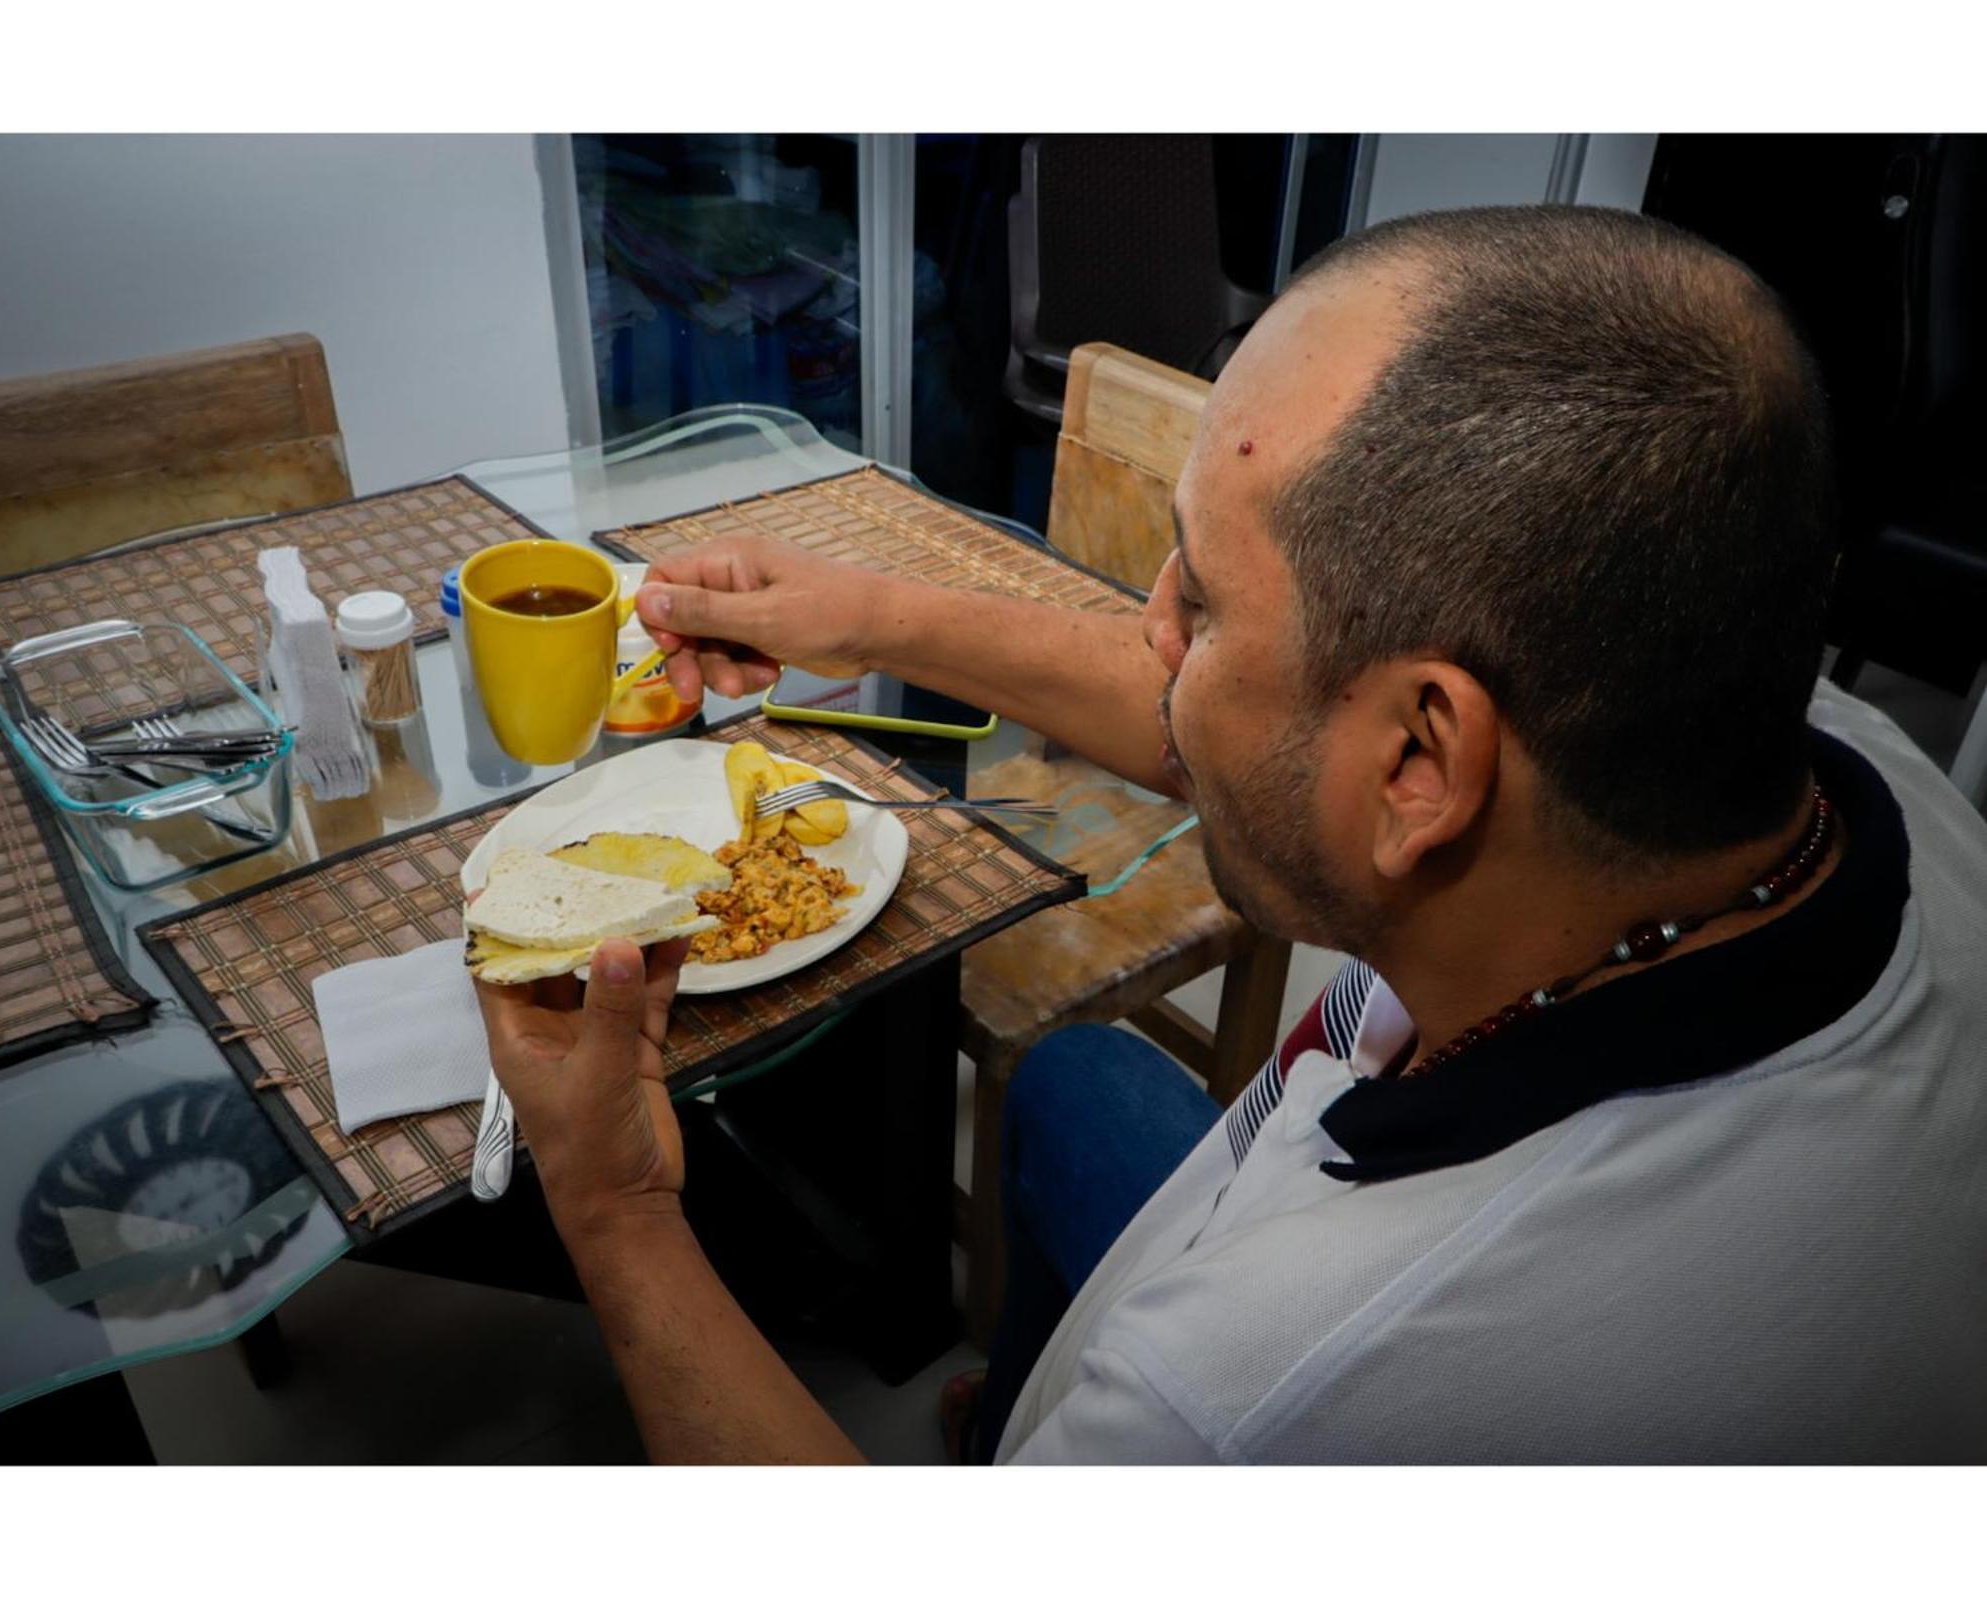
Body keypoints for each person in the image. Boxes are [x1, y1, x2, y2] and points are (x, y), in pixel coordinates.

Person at [475, 205, 1987, 1464]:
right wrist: (868, 618)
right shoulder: (1786, 744)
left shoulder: (1263, 1398)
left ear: (1420, 763)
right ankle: (1012, 1411)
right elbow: (1254, 741)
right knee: (1069, 1086)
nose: (1153, 632)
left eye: (1196, 598)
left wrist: (611, 1201)